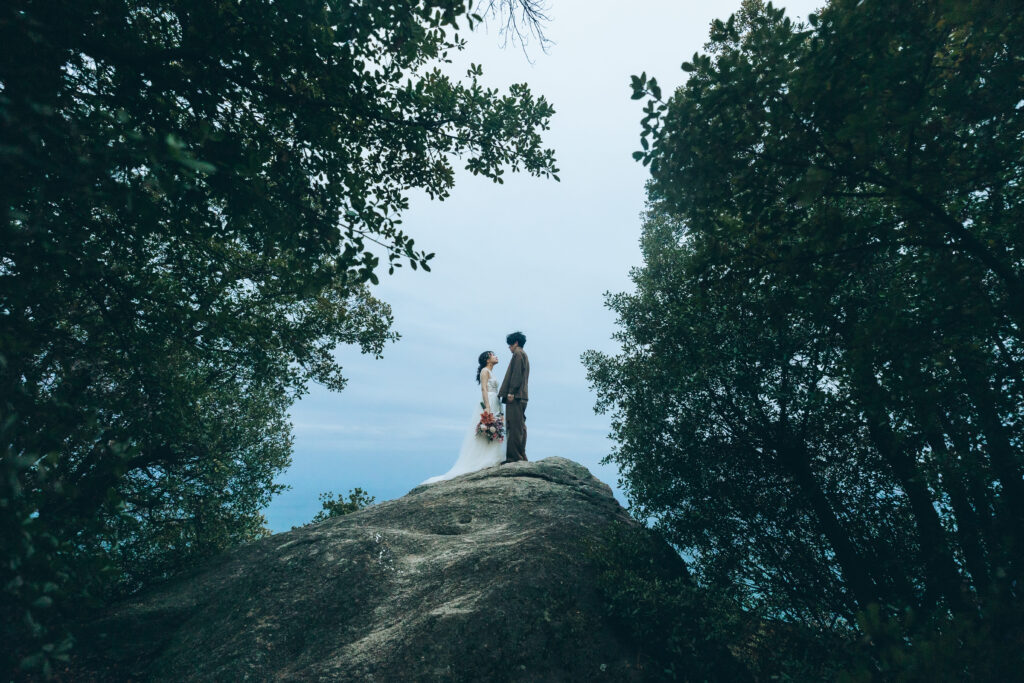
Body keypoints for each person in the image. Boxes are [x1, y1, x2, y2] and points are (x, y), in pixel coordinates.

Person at [421, 351, 507, 484]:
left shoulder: (492, 372)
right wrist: (487, 407)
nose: (496, 356)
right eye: (492, 355)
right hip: (489, 400)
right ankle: (484, 458)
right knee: (489, 427)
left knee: (495, 428)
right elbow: (484, 389)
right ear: (487, 359)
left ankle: (493, 455)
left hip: (495, 401)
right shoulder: (485, 371)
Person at [499, 331, 529, 463]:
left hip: (516, 396)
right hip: (522, 396)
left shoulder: (518, 354)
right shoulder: (523, 355)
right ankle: (521, 454)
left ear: (515, 343)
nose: (509, 347)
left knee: (514, 427)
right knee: (520, 426)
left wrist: (511, 391)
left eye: (510, 344)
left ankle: (514, 457)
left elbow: (516, 374)